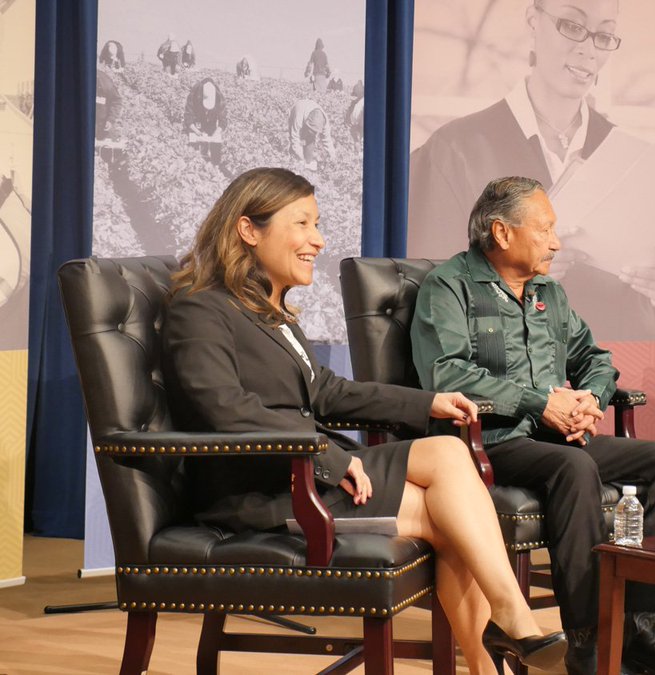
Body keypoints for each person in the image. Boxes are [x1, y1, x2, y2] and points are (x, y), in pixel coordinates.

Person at [161, 168, 567, 674]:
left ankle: (506, 631)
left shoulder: (269, 311)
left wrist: (428, 403)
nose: (318, 239)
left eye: (318, 223)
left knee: (448, 460)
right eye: (303, 223)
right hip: (259, 491)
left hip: (301, 472)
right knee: (455, 512)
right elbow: (223, 408)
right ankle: (504, 639)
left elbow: (326, 391)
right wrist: (327, 455)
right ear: (249, 230)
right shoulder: (200, 309)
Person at [411, 177, 655, 675]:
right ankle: (586, 642)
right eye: (545, 229)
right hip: (487, 444)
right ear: (501, 233)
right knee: (573, 467)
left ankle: (638, 630)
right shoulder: (449, 286)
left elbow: (595, 356)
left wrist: (590, 396)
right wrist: (540, 402)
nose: (556, 242)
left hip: (553, 438)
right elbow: (447, 373)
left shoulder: (550, 291)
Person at [407, 0, 655, 341]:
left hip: (615, 366)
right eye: (573, 27)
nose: (588, 50)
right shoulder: (456, 150)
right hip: (503, 373)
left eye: (603, 35)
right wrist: (511, 275)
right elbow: (427, 292)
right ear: (533, 21)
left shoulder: (631, 160)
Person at [183, 78, 227, 165]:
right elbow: (188, 115)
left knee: (213, 137)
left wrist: (216, 133)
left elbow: (223, 121)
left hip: (211, 120)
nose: (207, 110)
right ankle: (196, 157)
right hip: (197, 117)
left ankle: (214, 161)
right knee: (194, 140)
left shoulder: (219, 99)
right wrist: (196, 130)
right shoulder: (194, 94)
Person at [288, 100, 335, 171]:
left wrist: (332, 157)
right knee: (295, 143)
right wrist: (301, 158)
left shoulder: (324, 122)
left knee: (309, 141)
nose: (314, 134)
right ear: (307, 124)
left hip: (307, 111)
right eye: (311, 131)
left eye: (315, 132)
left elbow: (327, 140)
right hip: (297, 111)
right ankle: (292, 160)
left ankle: (307, 162)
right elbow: (295, 137)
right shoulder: (298, 116)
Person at [345, 80, 365, 145]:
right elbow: (348, 114)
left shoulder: (362, 104)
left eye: (355, 95)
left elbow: (362, 121)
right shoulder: (355, 103)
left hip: (359, 127)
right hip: (355, 126)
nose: (353, 97)